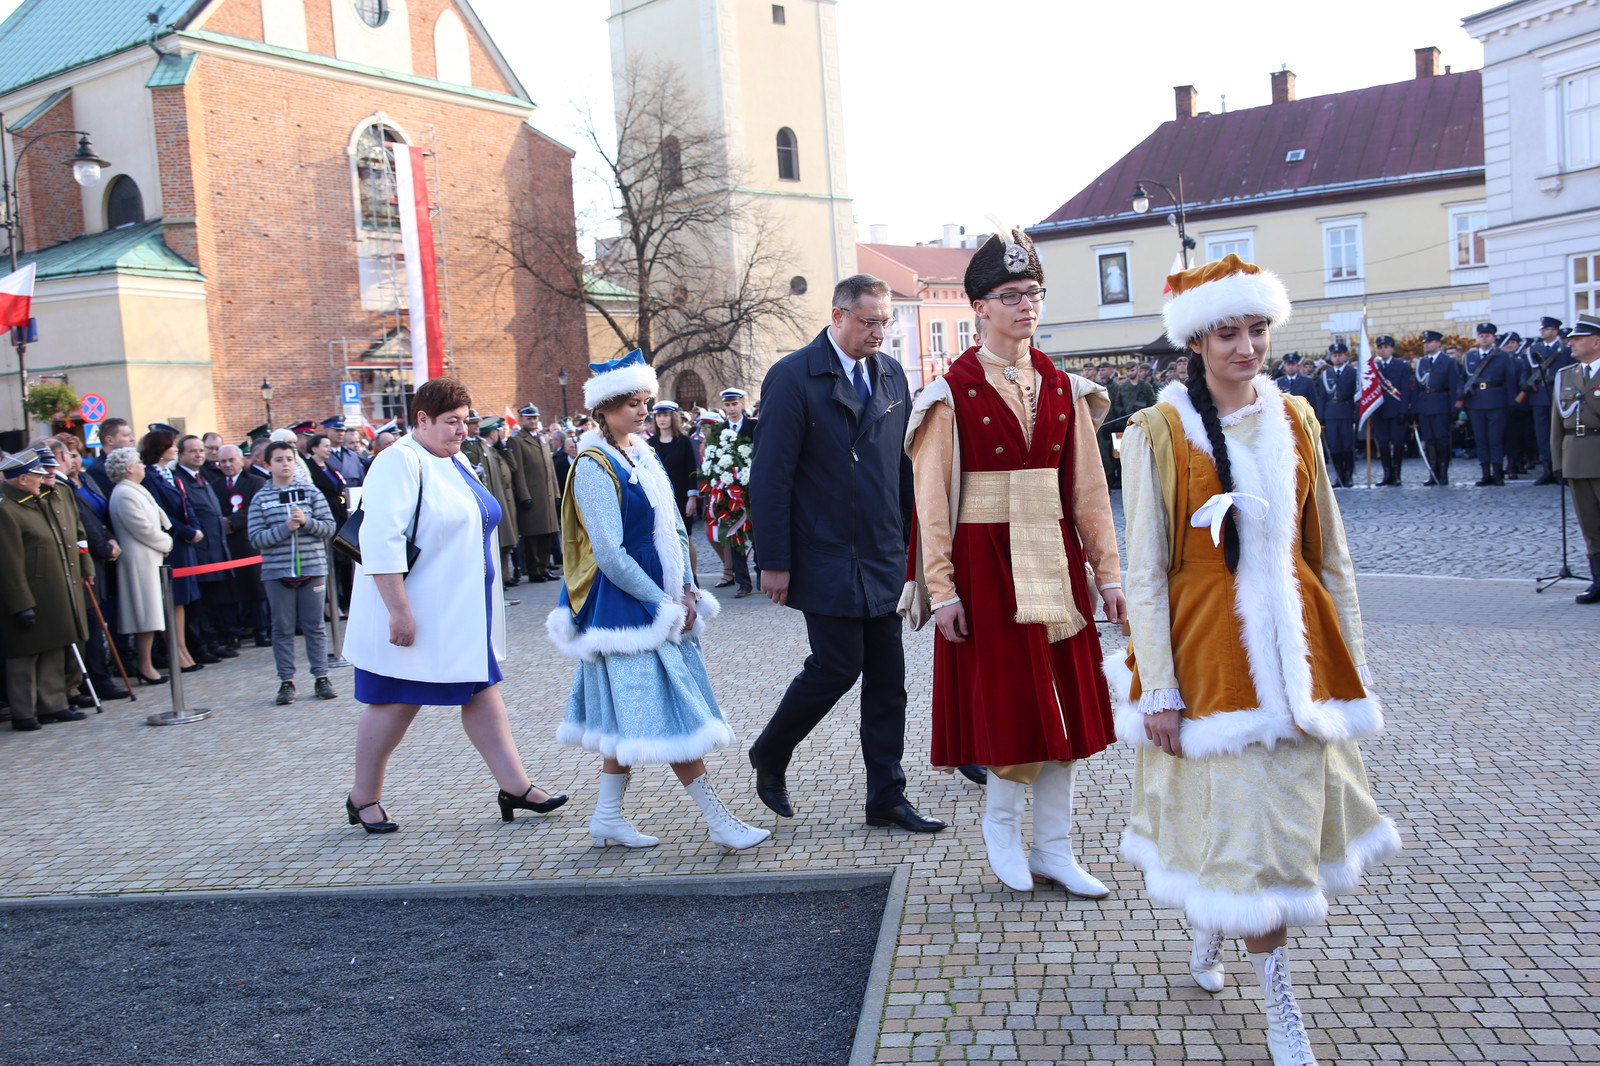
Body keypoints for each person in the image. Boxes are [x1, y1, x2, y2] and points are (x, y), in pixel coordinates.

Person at [1114, 254, 1398, 1065]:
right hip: (1212, 658)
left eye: (1257, 329)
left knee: (1277, 824)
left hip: (1299, 655)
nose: (1247, 347)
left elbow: (1328, 550)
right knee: (1236, 817)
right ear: (1197, 342)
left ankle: (1222, 931)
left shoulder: (1296, 417)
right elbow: (1145, 570)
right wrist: (1159, 687)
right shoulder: (1159, 432)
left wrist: (1351, 661)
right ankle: (1280, 1000)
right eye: (1229, 333)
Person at [903, 225, 1125, 893]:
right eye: (1011, 295)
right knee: (1008, 702)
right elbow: (931, 503)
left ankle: (1054, 847)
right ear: (980, 307)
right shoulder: (951, 393)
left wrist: (1108, 576)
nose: (1027, 305)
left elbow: (1088, 490)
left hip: (1054, 556)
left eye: (1034, 293)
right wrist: (942, 590)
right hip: (986, 562)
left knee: (1064, 703)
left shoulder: (1064, 387)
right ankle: (1000, 829)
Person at [748, 274, 944, 834]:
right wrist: (774, 561)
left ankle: (887, 795)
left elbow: (903, 467)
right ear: (838, 316)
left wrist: (915, 547)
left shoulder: (891, 374)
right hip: (823, 550)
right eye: (869, 321)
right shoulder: (793, 376)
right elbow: (771, 476)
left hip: (882, 551)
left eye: (884, 322)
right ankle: (771, 750)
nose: (879, 332)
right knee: (836, 666)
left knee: (888, 679)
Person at [549, 350, 766, 853]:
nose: (643, 411)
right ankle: (719, 820)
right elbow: (608, 552)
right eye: (632, 403)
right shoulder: (592, 465)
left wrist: (687, 587)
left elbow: (672, 529)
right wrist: (659, 601)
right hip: (626, 606)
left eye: (645, 401)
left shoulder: (640, 453)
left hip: (658, 596)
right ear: (604, 408)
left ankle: (607, 817)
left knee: (630, 713)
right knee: (669, 711)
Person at [341, 377, 565, 833]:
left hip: (461, 612)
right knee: (395, 700)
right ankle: (363, 797)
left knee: (481, 690)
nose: (462, 430)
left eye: (465, 421)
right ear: (422, 419)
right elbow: (380, 542)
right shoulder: (399, 461)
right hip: (419, 611)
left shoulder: (455, 458)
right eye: (451, 422)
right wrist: (399, 612)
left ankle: (515, 787)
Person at [0, 450, 91, 729]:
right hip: (29, 592)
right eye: (37, 475)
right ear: (22, 479)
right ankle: (24, 712)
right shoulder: (7, 509)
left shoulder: (36, 501)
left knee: (54, 646)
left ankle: (53, 704)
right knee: (25, 655)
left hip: (53, 588)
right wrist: (21, 604)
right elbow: (9, 562)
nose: (43, 479)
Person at [248, 441, 338, 705]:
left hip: (312, 568)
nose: (285, 464)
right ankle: (286, 681)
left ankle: (322, 676)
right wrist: (284, 528)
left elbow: (328, 527)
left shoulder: (310, 492)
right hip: (277, 572)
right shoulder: (260, 498)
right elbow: (256, 538)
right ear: (268, 465)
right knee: (282, 628)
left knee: (315, 626)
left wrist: (306, 522)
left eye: (289, 459)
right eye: (278, 460)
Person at [104, 446, 172, 686]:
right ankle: (145, 664)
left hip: (148, 557)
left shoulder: (134, 489)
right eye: (138, 462)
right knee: (145, 613)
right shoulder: (124, 493)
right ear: (128, 468)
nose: (143, 466)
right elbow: (142, 528)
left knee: (150, 613)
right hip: (139, 560)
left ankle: (147, 663)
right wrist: (166, 541)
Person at [138, 427, 202, 672]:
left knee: (181, 601)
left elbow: (185, 504)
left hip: (183, 543)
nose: (175, 449)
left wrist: (194, 527)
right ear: (160, 448)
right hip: (171, 543)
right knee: (171, 599)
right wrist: (186, 531)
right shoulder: (150, 476)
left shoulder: (169, 473)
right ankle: (176, 653)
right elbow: (161, 512)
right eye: (171, 445)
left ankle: (183, 650)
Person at [1551, 313, 1600, 604]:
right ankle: (1598, 581)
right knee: (1590, 525)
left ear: (1596, 342)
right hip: (1575, 459)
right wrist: (1558, 463)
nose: (1571, 343)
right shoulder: (1565, 375)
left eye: (1578, 339)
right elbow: (1556, 423)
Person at [175, 435, 238, 661]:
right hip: (199, 551)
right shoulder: (179, 480)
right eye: (193, 451)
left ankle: (212, 642)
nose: (199, 455)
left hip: (214, 549)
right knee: (199, 606)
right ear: (181, 454)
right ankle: (200, 646)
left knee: (212, 601)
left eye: (201, 450)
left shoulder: (201, 477)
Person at [208, 444, 270, 647]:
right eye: (223, 461)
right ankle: (232, 633)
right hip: (224, 546)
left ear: (242, 461)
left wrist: (232, 522)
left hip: (247, 543)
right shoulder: (213, 485)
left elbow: (256, 508)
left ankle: (261, 631)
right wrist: (220, 524)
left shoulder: (255, 482)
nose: (227, 465)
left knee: (256, 589)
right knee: (228, 591)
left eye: (231, 460)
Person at [705, 388, 757, 595]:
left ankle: (761, 573)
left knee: (758, 535)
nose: (731, 409)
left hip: (752, 490)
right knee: (735, 536)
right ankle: (743, 583)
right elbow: (711, 458)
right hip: (728, 493)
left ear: (742, 403)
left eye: (735, 404)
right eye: (727, 405)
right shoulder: (719, 430)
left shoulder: (754, 426)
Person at [1459, 323, 1517, 486]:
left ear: (1493, 338)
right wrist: (1461, 393)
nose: (1484, 338)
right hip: (1476, 402)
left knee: (1495, 438)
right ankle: (1485, 473)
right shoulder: (1470, 357)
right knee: (1481, 439)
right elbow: (1463, 378)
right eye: (1482, 336)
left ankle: (1497, 473)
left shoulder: (1502, 356)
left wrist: (1511, 402)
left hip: (1496, 400)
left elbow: (1510, 380)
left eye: (1487, 336)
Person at [511, 404, 560, 583]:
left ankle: (544, 567)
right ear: (522, 420)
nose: (532, 421)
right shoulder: (517, 440)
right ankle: (534, 570)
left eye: (535, 418)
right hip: (532, 494)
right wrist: (524, 496)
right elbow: (518, 472)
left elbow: (550, 469)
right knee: (533, 535)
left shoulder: (542, 438)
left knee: (548, 533)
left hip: (547, 494)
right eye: (529, 419)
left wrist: (556, 492)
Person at [1413, 330, 1462, 486]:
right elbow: (1417, 388)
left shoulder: (1448, 361)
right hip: (1425, 405)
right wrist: (1414, 409)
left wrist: (1455, 408)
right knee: (1429, 440)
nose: (1426, 345)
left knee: (1442, 439)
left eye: (1430, 342)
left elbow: (1454, 385)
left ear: (1439, 343)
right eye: (1425, 343)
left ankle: (1443, 472)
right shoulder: (1422, 362)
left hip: (1441, 403)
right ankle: (1433, 472)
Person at [476, 417, 520, 589]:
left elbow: (513, 467)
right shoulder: (486, 451)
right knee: (500, 543)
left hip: (505, 499)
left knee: (507, 543)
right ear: (493, 434)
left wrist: (504, 448)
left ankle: (505, 577)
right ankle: (501, 578)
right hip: (498, 498)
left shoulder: (495, 450)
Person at [646, 401, 700, 541]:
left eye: (666, 415)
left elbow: (691, 470)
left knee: (685, 539)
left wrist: (692, 498)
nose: (662, 419)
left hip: (681, 498)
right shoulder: (650, 443)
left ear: (673, 417)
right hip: (659, 499)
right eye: (658, 416)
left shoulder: (684, 441)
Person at [1515, 329, 1559, 485]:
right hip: (1538, 395)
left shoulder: (1563, 349)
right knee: (1542, 434)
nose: (1543, 331)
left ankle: (1560, 470)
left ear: (1555, 331)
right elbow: (1526, 371)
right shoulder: (1534, 349)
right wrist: (1524, 384)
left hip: (1556, 394)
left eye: (1547, 329)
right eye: (1542, 329)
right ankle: (1547, 468)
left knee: (1558, 434)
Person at [1370, 335, 1412, 486]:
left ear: (1392, 349)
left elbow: (1406, 389)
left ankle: (1397, 474)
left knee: (1398, 442)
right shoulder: (1373, 367)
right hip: (1379, 409)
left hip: (1396, 408)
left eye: (1386, 347)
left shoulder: (1401, 365)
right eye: (1380, 348)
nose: (1383, 350)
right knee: (1383, 443)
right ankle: (1387, 474)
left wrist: (1404, 410)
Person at [1316, 342, 1357, 488]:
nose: (1337, 358)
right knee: (1334, 446)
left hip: (1346, 411)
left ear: (1345, 356)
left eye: (1340, 355)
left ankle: (1348, 476)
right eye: (1335, 355)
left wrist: (1356, 413)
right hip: (1331, 413)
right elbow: (1322, 397)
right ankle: (1339, 476)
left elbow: (1356, 394)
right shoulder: (1327, 374)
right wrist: (1320, 417)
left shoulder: (1352, 372)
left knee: (1347, 446)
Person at [305, 432, 350, 528]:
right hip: (323, 512)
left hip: (339, 512)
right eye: (326, 446)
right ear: (314, 449)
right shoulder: (307, 468)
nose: (329, 450)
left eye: (330, 446)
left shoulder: (330, 467)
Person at [85, 417, 135, 498]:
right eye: (126, 435)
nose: (132, 439)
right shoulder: (97, 470)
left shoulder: (133, 462)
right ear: (109, 440)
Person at [323, 418, 365, 487]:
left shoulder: (353, 455)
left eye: (342, 431)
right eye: (336, 431)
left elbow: (361, 480)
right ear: (326, 432)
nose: (340, 434)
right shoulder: (321, 455)